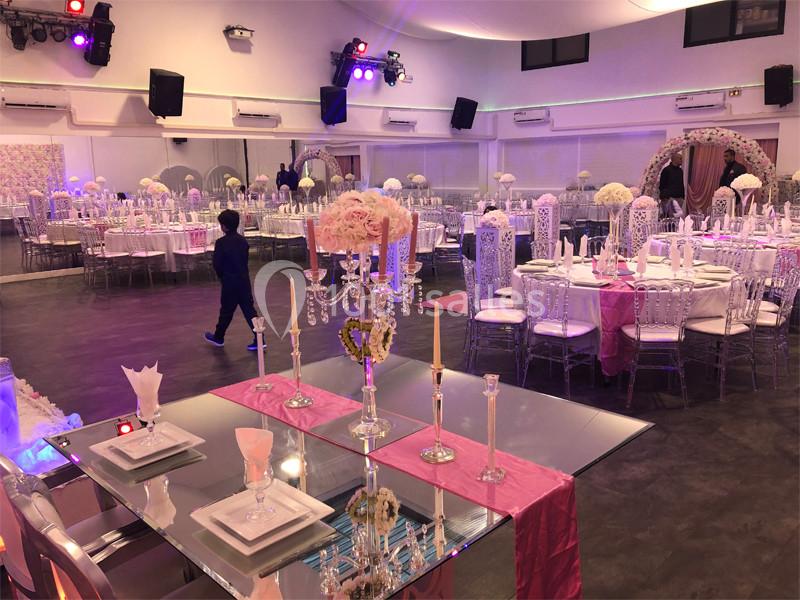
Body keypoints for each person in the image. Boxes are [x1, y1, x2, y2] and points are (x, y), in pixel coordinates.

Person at [204, 210, 264, 351]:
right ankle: (260, 338)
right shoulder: (243, 241)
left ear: (224, 226)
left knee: (226, 311)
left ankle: (219, 337)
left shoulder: (221, 243)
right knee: (249, 310)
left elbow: (217, 264)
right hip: (243, 280)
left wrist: (222, 276)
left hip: (229, 282)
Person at [719, 148, 747, 212]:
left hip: (735, 198)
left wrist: (739, 199)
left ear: (732, 156)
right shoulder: (726, 168)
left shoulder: (740, 167)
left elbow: (742, 184)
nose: (724, 158)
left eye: (726, 156)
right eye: (724, 156)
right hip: (724, 197)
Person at [658, 153, 686, 218]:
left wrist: (682, 197)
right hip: (669, 198)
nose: (682, 160)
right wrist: (665, 198)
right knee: (669, 218)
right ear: (674, 159)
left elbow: (681, 184)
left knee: (677, 218)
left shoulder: (680, 171)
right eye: (680, 158)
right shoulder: (666, 170)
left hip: (679, 198)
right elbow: (662, 185)